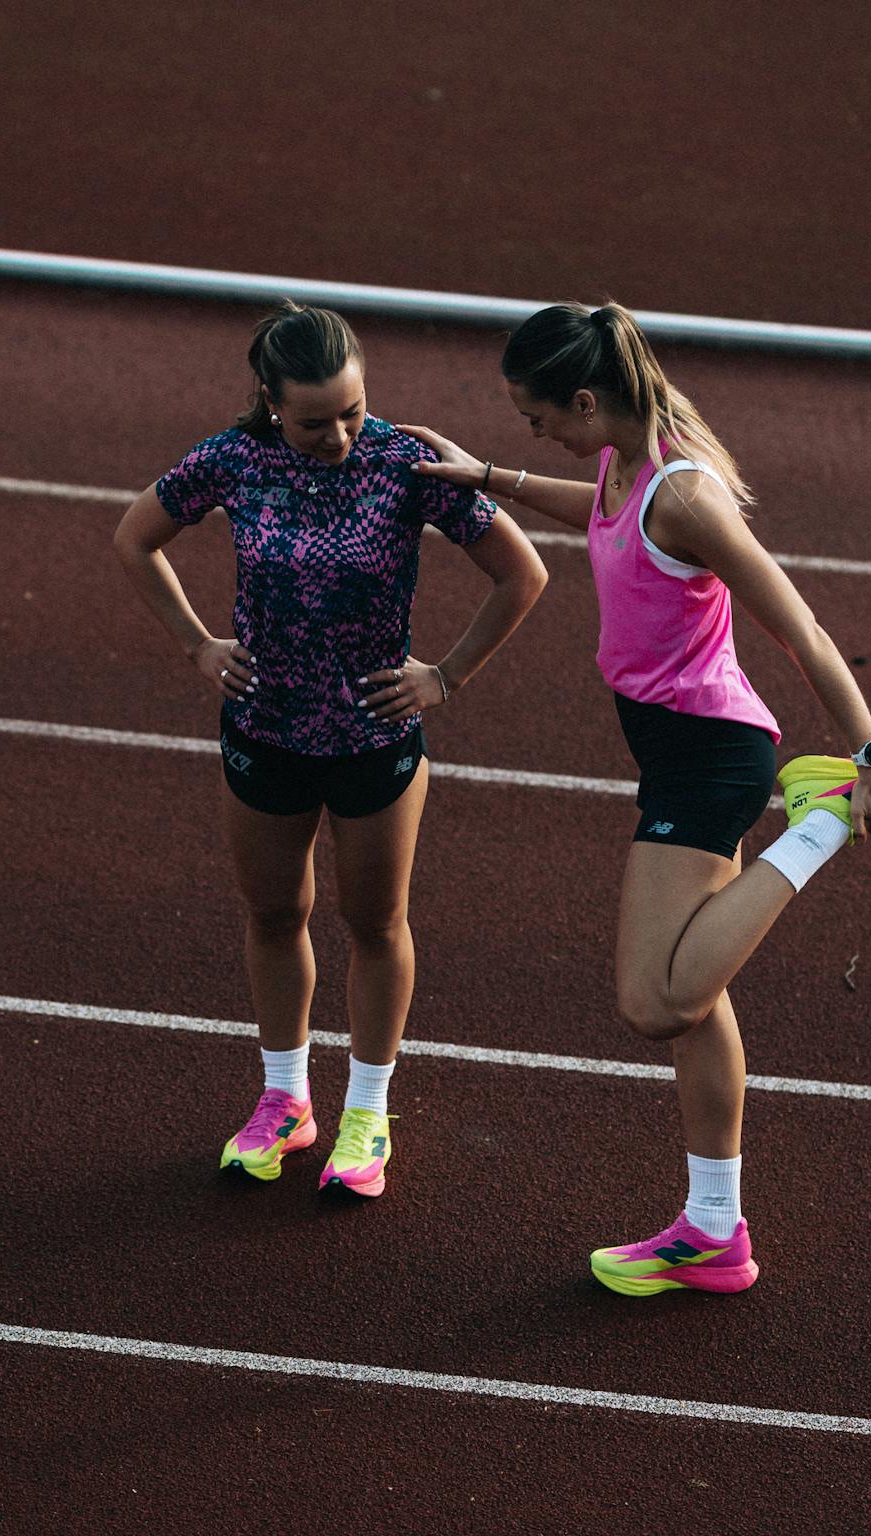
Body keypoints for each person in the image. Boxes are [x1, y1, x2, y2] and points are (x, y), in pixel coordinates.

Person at [403, 301, 871, 1291]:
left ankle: (816, 827)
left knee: (656, 1001)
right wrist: (488, 476)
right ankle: (712, 1230)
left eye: (537, 420)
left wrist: (868, 755)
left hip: (711, 757)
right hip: (675, 749)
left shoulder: (685, 496)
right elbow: (599, 513)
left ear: (585, 397)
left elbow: (802, 626)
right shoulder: (622, 464)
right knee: (698, 1006)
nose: (537, 435)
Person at [113, 301, 549, 1198]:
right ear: (270, 403)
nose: (341, 435)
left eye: (353, 411)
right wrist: (199, 642)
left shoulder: (406, 463)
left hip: (374, 736)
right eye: (316, 421)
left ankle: (366, 1111)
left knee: (374, 922)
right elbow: (135, 537)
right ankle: (285, 1101)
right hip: (263, 730)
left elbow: (523, 573)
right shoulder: (231, 458)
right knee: (274, 916)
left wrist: (448, 675)